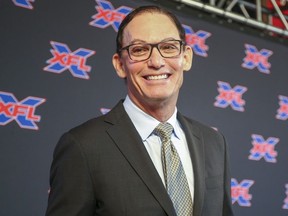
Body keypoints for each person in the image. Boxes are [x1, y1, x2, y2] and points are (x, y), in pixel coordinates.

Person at [45, 5, 234, 216]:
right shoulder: (83, 146)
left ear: (186, 57)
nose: (156, 61)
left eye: (169, 47)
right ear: (119, 64)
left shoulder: (214, 143)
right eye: (139, 50)